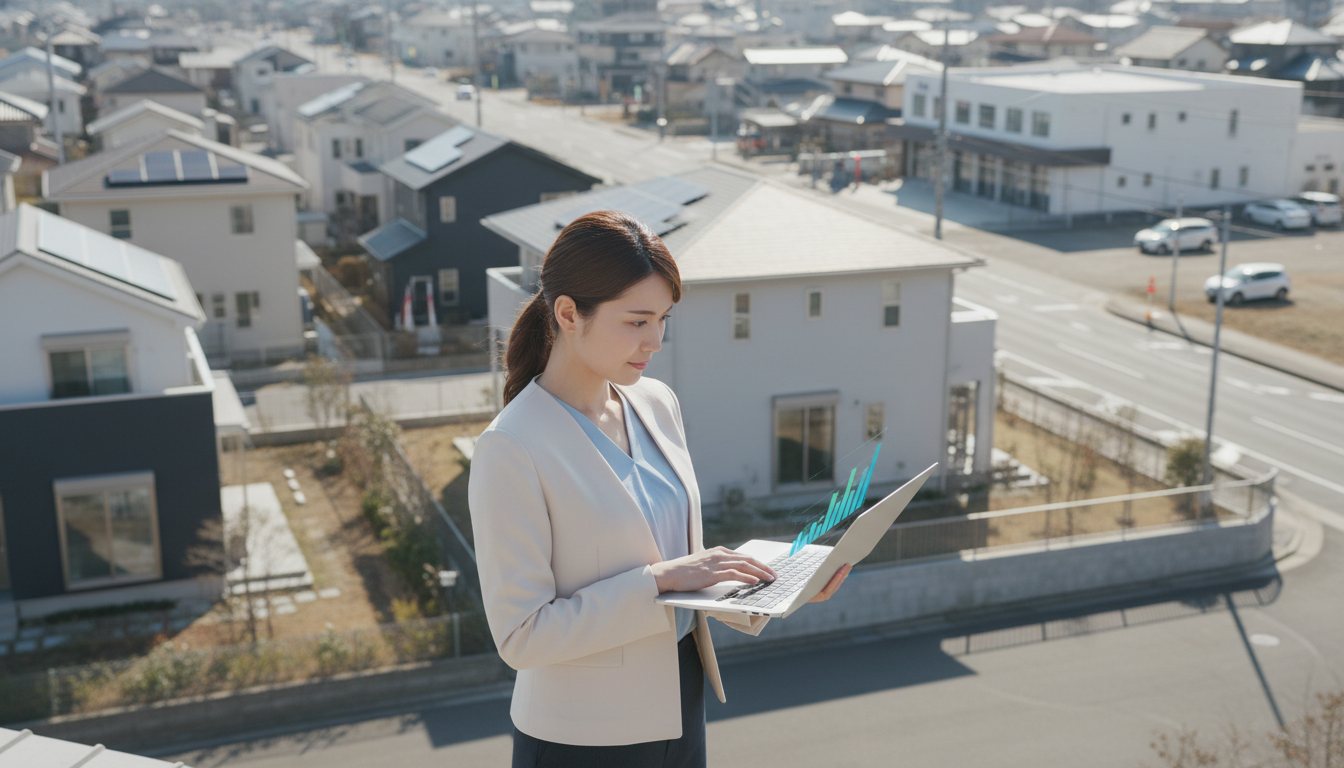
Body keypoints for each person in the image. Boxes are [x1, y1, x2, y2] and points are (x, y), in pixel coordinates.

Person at [469, 210, 851, 768]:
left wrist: (769, 592)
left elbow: (678, 574)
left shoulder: (656, 403)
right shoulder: (511, 447)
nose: (655, 340)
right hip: (582, 741)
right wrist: (658, 582)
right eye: (636, 321)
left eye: (664, 319)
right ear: (569, 314)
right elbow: (522, 636)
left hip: (680, 708)